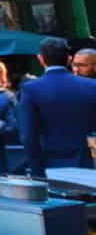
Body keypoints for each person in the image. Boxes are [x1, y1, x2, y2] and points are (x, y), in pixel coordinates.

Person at [21, 38, 96, 177]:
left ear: (41, 59)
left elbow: (28, 136)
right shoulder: (92, 86)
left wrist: (37, 171)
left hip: (51, 165)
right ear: (68, 59)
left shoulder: (31, 89)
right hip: (87, 162)